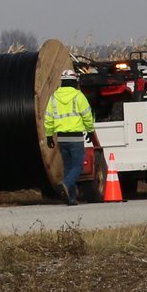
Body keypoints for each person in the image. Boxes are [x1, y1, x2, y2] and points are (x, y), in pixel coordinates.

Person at [44, 67, 94, 205]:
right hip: (76, 136)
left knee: (68, 166)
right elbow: (87, 115)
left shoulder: (54, 97)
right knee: (78, 166)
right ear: (74, 82)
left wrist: (49, 136)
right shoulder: (78, 96)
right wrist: (90, 131)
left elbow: (48, 118)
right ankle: (66, 185)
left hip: (61, 138)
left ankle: (70, 198)